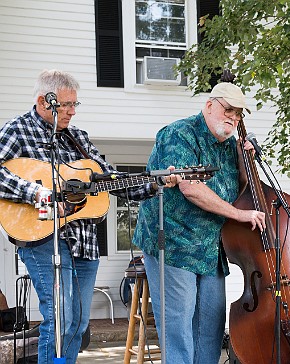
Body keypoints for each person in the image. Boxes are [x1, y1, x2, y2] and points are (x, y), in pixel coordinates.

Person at [0, 69, 178, 363]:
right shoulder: (17, 130)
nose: (72, 111)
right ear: (46, 101)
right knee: (60, 318)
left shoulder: (78, 138)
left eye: (75, 105)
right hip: (43, 237)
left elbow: (111, 179)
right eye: (67, 105)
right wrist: (35, 192)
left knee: (77, 325)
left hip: (84, 241)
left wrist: (155, 182)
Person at [132, 82, 267, 363]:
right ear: (209, 106)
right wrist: (239, 215)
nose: (233, 118)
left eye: (239, 114)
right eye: (228, 109)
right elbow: (190, 188)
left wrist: (245, 162)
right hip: (173, 244)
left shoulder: (230, 146)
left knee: (211, 329)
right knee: (179, 329)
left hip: (210, 248)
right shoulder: (178, 134)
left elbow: (241, 191)